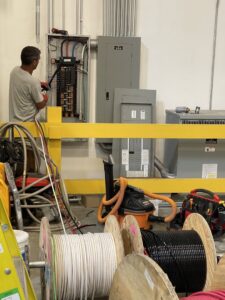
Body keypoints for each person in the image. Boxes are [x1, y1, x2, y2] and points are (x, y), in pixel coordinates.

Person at [9, 46, 48, 122]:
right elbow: (41, 105)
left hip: (13, 124)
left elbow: (24, 82)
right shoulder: (33, 82)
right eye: (38, 60)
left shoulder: (14, 71)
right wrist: (45, 98)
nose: (38, 62)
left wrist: (39, 84)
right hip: (27, 127)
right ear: (34, 62)